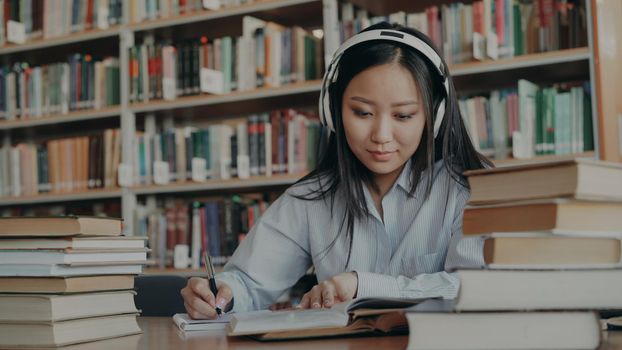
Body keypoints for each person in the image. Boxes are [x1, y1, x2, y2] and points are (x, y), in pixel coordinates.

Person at [181, 22, 491, 319]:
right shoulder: (310, 200)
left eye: (404, 115)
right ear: (332, 110)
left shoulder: (470, 190)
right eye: (362, 112)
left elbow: (478, 285)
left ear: (434, 116)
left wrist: (363, 285)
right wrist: (221, 294)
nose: (381, 135)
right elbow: (248, 283)